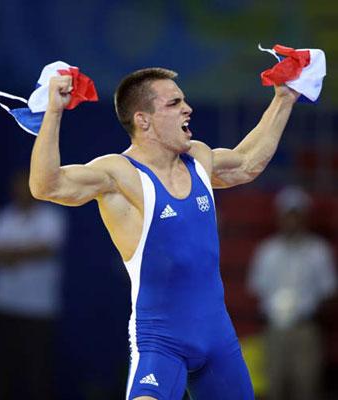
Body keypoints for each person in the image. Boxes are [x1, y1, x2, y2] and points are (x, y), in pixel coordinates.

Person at [29, 67, 299, 400]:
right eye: (174, 103)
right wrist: (53, 111)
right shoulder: (119, 174)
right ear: (143, 120)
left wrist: (285, 96)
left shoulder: (198, 157)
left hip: (218, 341)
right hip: (161, 342)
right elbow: (46, 186)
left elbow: (246, 163)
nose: (188, 109)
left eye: (184, 100)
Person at [0, 169, 67, 400]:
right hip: (3, 305)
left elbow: (46, 249)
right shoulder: (3, 217)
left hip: (37, 309)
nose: (21, 190)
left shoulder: (51, 217)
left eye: (26, 185)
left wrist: (10, 254)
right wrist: (23, 252)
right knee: (2, 369)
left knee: (36, 371)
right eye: (17, 185)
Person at [247, 186, 337, 400]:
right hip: (274, 329)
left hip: (304, 329)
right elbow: (256, 289)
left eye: (296, 215)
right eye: (288, 215)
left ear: (304, 217)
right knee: (274, 387)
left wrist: (307, 310)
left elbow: (329, 292)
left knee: (306, 387)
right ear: (280, 217)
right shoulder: (267, 251)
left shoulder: (318, 250)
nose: (292, 221)